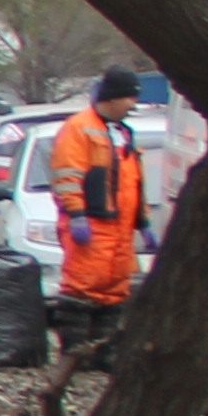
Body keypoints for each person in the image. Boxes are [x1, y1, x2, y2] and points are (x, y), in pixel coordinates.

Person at [48, 65, 148, 348]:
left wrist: (144, 220)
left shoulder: (123, 134)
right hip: (92, 226)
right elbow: (67, 175)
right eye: (130, 98)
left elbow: (134, 181)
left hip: (120, 230)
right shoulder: (79, 129)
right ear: (113, 98)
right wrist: (76, 214)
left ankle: (103, 355)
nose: (133, 105)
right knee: (81, 289)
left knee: (115, 292)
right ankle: (76, 353)